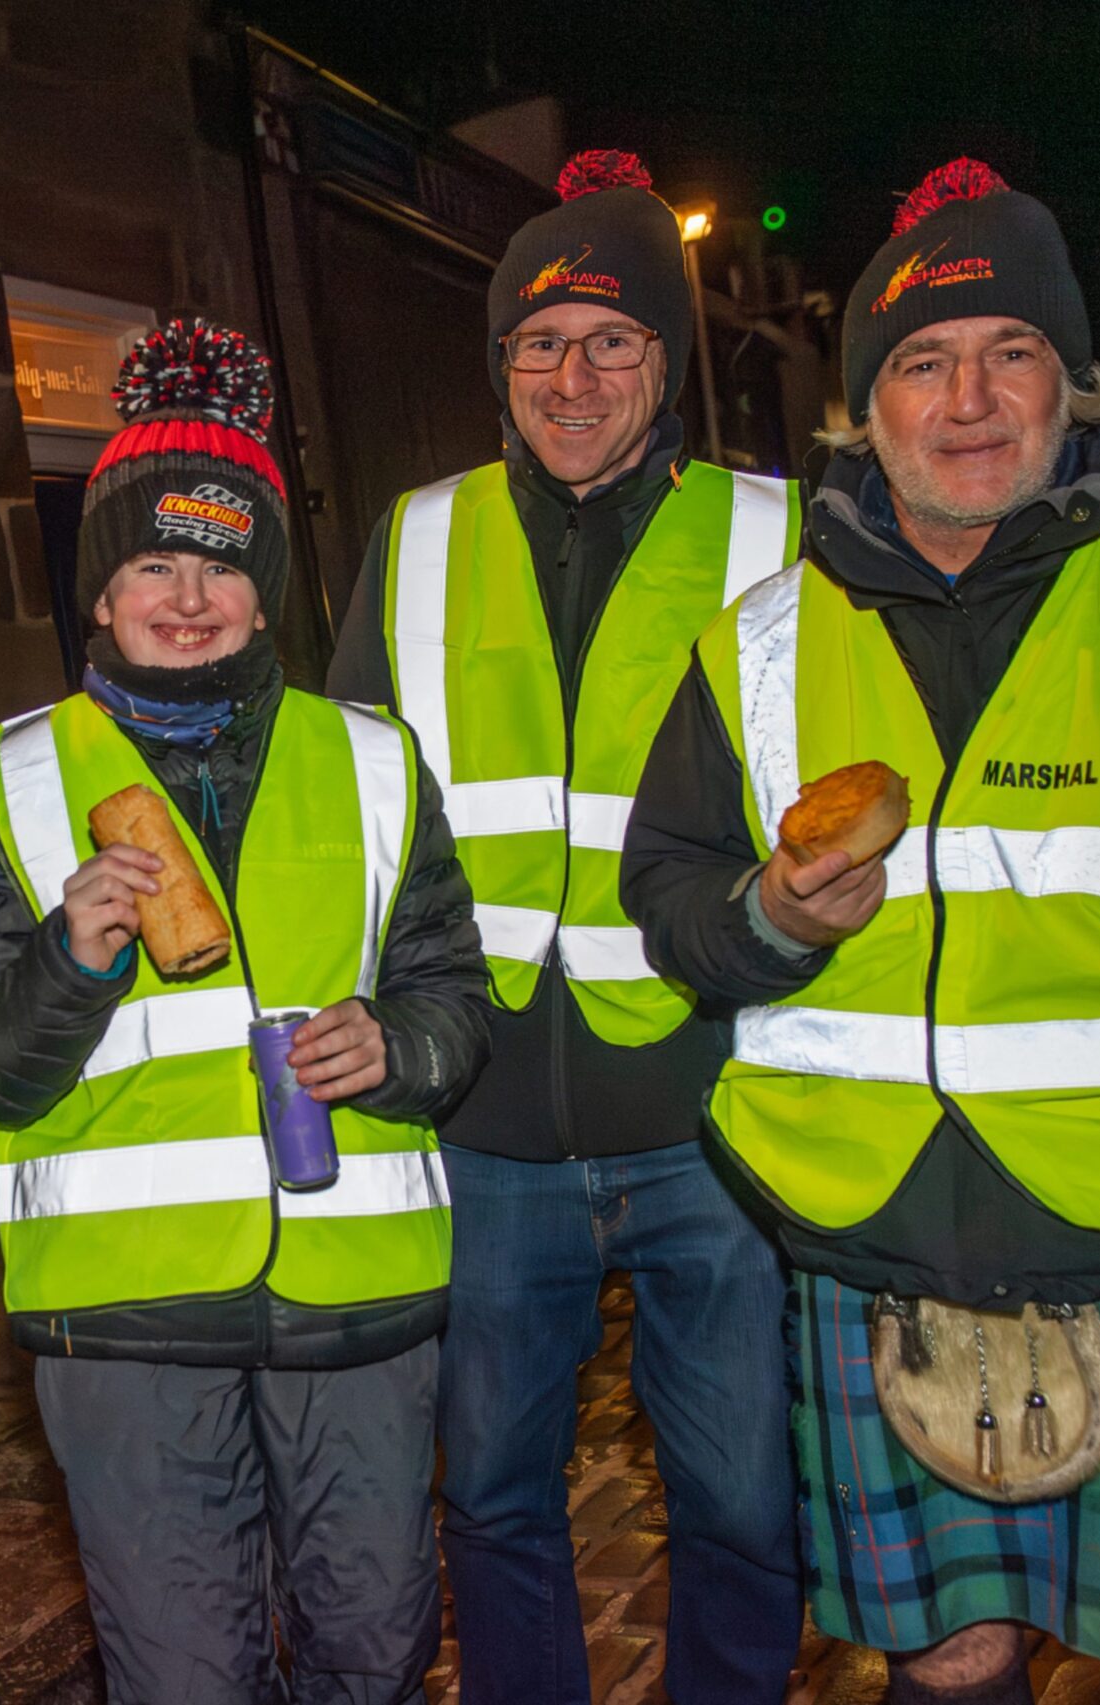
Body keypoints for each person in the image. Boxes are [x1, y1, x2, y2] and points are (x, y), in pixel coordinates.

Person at [623, 157, 1100, 1705]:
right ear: (864, 410)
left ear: (1074, 388)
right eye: (922, 361)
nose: (967, 399)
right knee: (948, 1655)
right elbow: (673, 913)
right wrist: (767, 918)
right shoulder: (758, 645)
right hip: (877, 1238)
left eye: (1011, 355)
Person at [0, 319, 489, 1704]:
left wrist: (400, 1044)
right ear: (103, 593)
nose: (190, 598)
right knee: (187, 1680)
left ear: (268, 591)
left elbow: (455, 996)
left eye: (225, 567)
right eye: (153, 566)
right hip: (125, 1321)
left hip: (357, 1305)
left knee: (375, 1654)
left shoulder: (373, 758)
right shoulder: (7, 777)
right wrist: (72, 955)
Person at [327, 149, 803, 1703]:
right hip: (486, 1123)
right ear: (500, 367)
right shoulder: (416, 537)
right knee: (495, 1493)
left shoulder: (779, 535)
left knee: (741, 1494)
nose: (573, 373)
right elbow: (343, 805)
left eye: (612, 338)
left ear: (665, 364)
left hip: (710, 1105)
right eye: (538, 342)